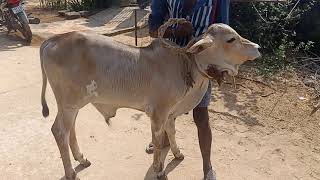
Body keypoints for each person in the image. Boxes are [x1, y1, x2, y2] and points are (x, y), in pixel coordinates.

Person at [147, 0, 230, 179]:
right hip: (169, 64)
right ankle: (164, 143)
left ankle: (207, 168)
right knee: (165, 112)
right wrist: (175, 32)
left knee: (201, 116)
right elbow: (153, 29)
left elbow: (224, 34)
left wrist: (219, 67)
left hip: (202, 67)